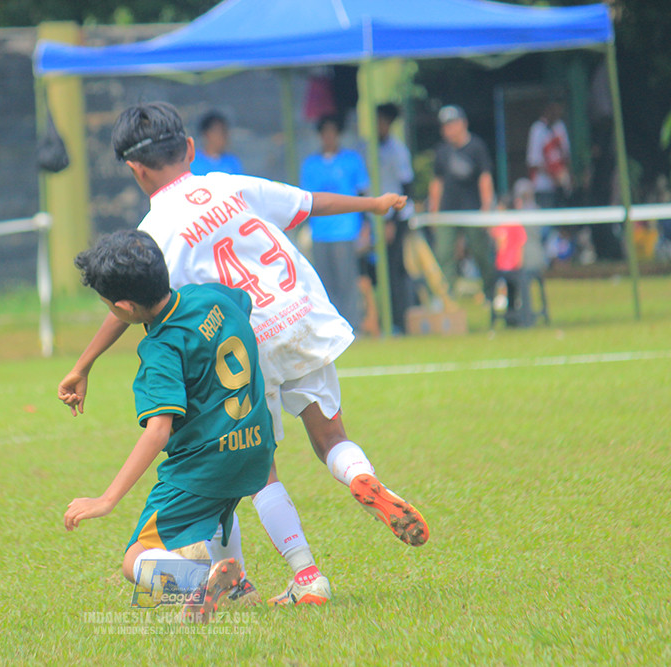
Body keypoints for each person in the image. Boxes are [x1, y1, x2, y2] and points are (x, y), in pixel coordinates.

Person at [58, 101, 428, 607]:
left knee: (260, 470)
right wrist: (376, 203)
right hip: (300, 317)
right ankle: (360, 477)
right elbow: (308, 203)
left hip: (245, 344)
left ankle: (306, 578)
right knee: (331, 436)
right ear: (189, 147)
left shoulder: (154, 232)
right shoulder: (231, 185)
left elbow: (126, 304)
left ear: (134, 169)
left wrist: (84, 363)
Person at [63, 229, 275, 622]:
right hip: (254, 444)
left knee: (134, 560)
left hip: (202, 464)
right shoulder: (210, 295)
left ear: (124, 307)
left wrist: (106, 499)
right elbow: (242, 305)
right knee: (216, 506)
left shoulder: (160, 348)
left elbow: (159, 428)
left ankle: (195, 583)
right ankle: (236, 587)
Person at [299, 113, 370, 330]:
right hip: (320, 231)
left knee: (347, 282)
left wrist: (366, 227)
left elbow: (362, 193)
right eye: (325, 133)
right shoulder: (310, 164)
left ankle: (352, 327)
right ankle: (332, 328)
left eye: (333, 132)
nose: (329, 137)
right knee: (324, 284)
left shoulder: (351, 160)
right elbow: (305, 199)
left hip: (346, 229)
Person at [428, 104, 496, 300]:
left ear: (462, 124)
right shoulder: (442, 151)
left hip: (472, 210)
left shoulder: (476, 147)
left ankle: (490, 292)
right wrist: (434, 211)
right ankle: (447, 298)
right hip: (448, 211)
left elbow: (485, 178)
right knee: (444, 253)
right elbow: (437, 182)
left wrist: (486, 207)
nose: (448, 130)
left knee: (480, 251)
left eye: (452, 124)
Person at [376, 103, 415, 333]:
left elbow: (405, 187)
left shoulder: (397, 150)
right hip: (375, 218)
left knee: (396, 270)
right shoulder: (366, 148)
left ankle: (399, 321)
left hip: (395, 219)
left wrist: (392, 221)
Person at [526, 101, 572, 209]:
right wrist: (554, 176)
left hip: (562, 187)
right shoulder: (537, 129)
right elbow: (534, 162)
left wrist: (567, 177)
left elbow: (566, 156)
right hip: (543, 187)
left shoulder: (560, 127)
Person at [190, 111, 244, 176]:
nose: (225, 136)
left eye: (225, 132)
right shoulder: (192, 161)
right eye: (220, 132)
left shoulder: (232, 162)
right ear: (207, 134)